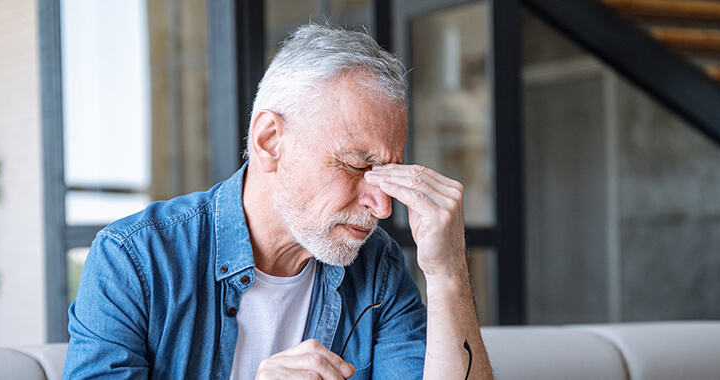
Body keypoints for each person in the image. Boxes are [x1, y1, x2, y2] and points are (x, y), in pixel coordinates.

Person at [63, 24, 493, 380]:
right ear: (270, 142)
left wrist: (448, 271)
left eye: (388, 173)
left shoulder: (378, 269)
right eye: (358, 166)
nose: (383, 207)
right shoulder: (134, 260)